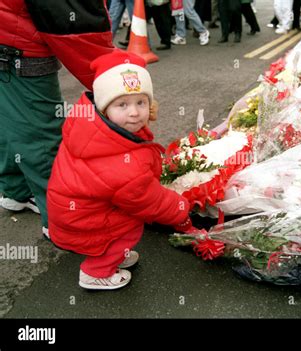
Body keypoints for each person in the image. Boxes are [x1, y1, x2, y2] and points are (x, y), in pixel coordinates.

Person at [47, 50, 198, 290]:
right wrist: (180, 208)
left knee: (124, 221)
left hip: (75, 210)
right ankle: (96, 272)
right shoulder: (122, 163)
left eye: (141, 102)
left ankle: (114, 253)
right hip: (85, 218)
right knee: (129, 228)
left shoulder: (95, 130)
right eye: (122, 104)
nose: (134, 112)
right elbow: (147, 198)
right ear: (105, 108)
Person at [0, 0, 114, 239]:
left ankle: (16, 190)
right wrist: (115, 82)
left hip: (9, 37)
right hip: (18, 48)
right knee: (42, 137)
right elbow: (77, 23)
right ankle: (66, 224)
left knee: (11, 120)